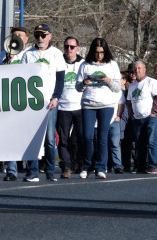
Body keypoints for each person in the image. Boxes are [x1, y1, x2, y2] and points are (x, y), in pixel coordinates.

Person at [17, 24, 65, 182]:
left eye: (43, 35)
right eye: (37, 35)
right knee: (32, 139)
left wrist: (56, 97)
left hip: (49, 102)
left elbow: (60, 79)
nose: (40, 38)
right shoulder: (27, 54)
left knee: (50, 140)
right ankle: (33, 171)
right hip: (32, 103)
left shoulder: (56, 54)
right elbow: (22, 77)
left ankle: (50, 171)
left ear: (50, 36)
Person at [75, 37, 121, 179]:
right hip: (88, 104)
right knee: (87, 136)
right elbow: (78, 87)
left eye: (101, 52)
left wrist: (108, 80)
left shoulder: (112, 65)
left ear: (105, 52)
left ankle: (101, 167)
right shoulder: (85, 65)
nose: (99, 55)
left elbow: (118, 87)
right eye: (96, 52)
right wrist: (85, 82)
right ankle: (87, 166)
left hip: (106, 105)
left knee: (102, 137)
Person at [126, 60, 157, 174]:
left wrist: (154, 112)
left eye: (139, 68)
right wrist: (132, 115)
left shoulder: (151, 82)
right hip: (137, 119)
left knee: (152, 142)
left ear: (144, 69)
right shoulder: (132, 86)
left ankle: (152, 165)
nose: (137, 70)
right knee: (139, 143)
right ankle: (141, 166)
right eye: (135, 69)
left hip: (150, 118)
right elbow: (129, 102)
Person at [56, 36, 83, 179]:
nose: (69, 49)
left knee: (79, 138)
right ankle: (66, 167)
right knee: (63, 139)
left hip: (80, 106)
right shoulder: (58, 62)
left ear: (77, 48)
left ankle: (80, 164)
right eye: (66, 46)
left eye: (72, 47)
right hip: (62, 107)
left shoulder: (83, 64)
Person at [120, 63, 137, 172]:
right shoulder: (124, 86)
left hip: (136, 116)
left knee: (136, 142)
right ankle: (126, 164)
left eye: (134, 72)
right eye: (130, 72)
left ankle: (137, 163)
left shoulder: (140, 84)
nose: (133, 75)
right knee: (126, 142)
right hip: (125, 116)